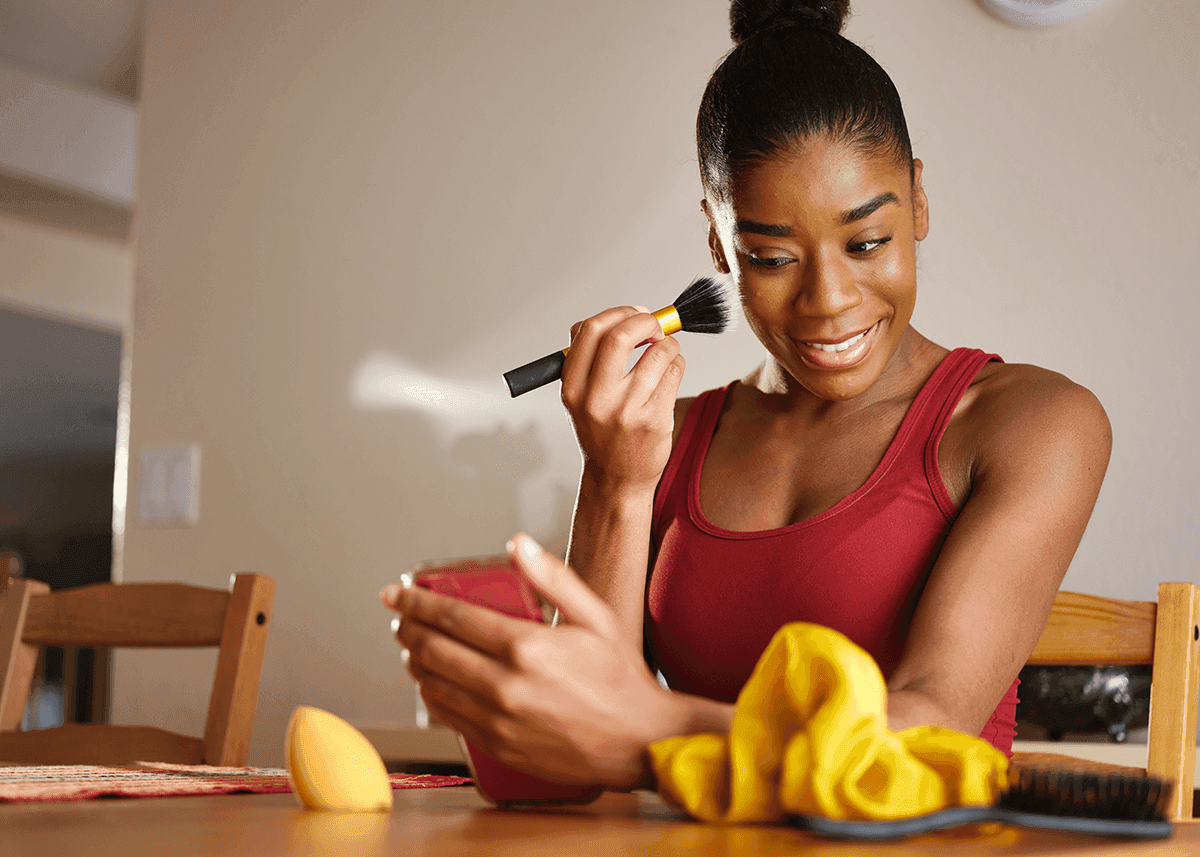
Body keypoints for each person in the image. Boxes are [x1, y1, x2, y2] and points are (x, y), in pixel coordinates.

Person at [381, 0, 1110, 791]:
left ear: (919, 199)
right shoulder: (665, 440)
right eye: (770, 256)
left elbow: (927, 728)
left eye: (866, 242)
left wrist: (655, 727)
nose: (828, 299)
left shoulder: (1034, 424)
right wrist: (616, 480)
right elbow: (567, 764)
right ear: (717, 243)